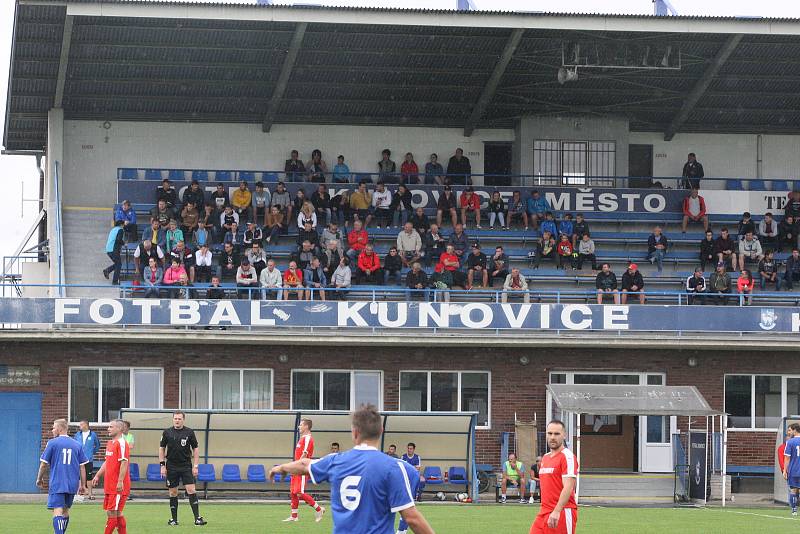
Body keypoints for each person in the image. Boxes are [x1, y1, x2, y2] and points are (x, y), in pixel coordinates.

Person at [269, 406, 433, 534]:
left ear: (354, 432)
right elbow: (412, 518)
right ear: (381, 431)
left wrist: (282, 467)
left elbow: (305, 464)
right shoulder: (393, 468)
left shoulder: (335, 461)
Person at [38, 418, 89, 534]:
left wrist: (39, 478)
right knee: (65, 510)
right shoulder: (77, 444)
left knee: (58, 509)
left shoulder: (52, 443)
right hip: (72, 483)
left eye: (54, 427)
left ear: (60, 429)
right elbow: (82, 466)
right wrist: (83, 485)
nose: (52, 430)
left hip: (58, 481)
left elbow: (43, 464)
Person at [159, 411, 206, 526]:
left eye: (179, 418)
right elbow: (161, 448)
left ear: (183, 420)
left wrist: (195, 466)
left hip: (185, 466)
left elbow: (195, 449)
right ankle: (174, 520)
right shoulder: (167, 432)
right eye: (175, 418)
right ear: (173, 419)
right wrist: (162, 465)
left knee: (191, 490)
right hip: (171, 466)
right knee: (173, 492)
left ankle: (197, 519)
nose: (177, 420)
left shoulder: (189, 432)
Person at [531, 420, 578, 534]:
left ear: (564, 435)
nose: (552, 437)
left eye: (557, 434)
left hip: (562, 512)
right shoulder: (545, 458)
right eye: (550, 433)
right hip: (544, 512)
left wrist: (557, 511)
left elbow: (568, 486)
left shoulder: (568, 457)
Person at [92, 419, 131, 534]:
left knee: (112, 512)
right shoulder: (110, 443)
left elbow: (124, 462)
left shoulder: (122, 443)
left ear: (119, 429)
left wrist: (120, 481)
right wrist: (98, 475)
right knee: (116, 512)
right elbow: (107, 462)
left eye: (111, 427)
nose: (108, 429)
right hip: (109, 484)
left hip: (117, 485)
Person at [282, 419, 325, 523]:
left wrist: (297, 467)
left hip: (301, 469)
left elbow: (304, 455)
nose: (299, 427)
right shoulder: (302, 439)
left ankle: (319, 509)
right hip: (296, 469)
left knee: (299, 492)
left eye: (301, 425)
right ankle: (294, 516)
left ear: (306, 426)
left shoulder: (307, 439)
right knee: (293, 492)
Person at [73, 420, 100, 501]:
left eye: (81, 424)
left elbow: (97, 445)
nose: (79, 426)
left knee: (89, 477)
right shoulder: (77, 434)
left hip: (88, 459)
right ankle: (77, 494)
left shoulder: (93, 435)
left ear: (86, 425)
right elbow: (74, 444)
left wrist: (91, 452)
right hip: (78, 459)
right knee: (77, 476)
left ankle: (90, 494)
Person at [783, 422, 800, 516]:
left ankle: (794, 510)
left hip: (793, 470)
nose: (790, 432)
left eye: (791, 430)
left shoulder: (790, 442)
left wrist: (785, 470)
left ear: (794, 430)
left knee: (793, 490)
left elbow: (787, 457)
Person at [103, 220, 126, 285]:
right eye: (123, 225)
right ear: (121, 225)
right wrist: (124, 243)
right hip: (114, 249)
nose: (124, 226)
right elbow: (118, 239)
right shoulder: (120, 230)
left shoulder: (113, 230)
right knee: (119, 264)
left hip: (108, 249)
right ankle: (115, 281)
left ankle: (107, 270)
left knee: (117, 264)